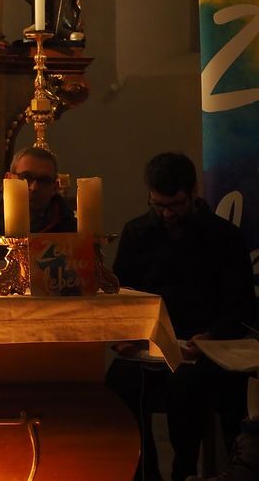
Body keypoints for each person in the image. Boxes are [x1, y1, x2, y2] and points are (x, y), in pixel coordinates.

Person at [107, 153, 256, 481]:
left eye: (175, 205)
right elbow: (123, 295)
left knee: (184, 386)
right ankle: (145, 472)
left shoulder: (223, 237)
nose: (166, 213)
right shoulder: (137, 232)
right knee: (119, 381)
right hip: (150, 345)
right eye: (158, 205)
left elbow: (241, 304)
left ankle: (183, 471)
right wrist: (126, 337)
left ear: (193, 193)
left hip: (204, 347)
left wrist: (211, 337)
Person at [0, 146, 76, 284]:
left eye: (44, 180)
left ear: (55, 187)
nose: (34, 187)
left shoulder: (73, 235)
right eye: (26, 177)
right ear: (8, 180)